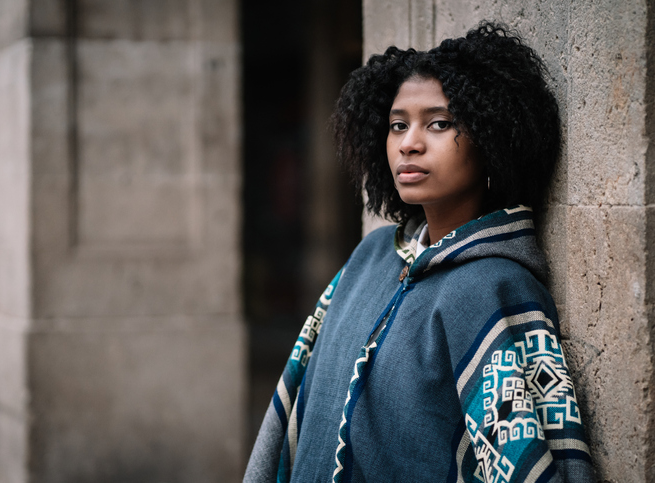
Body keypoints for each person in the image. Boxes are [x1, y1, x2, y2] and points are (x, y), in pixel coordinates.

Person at [244, 22, 595, 483]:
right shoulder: (370, 257)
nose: (409, 142)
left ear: (491, 140)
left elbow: (520, 461)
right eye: (397, 125)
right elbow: (295, 402)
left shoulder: (491, 289)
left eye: (439, 123)